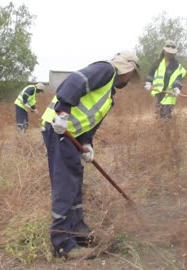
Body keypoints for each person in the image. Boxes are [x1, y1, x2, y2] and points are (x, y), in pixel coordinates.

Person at [40, 50, 139, 259]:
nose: (130, 80)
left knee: (75, 183)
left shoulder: (108, 97)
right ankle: (62, 244)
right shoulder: (105, 70)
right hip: (58, 129)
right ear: (128, 69)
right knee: (65, 184)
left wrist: (87, 144)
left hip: (71, 136)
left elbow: (91, 123)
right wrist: (63, 113)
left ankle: (79, 232)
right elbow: (74, 81)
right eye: (132, 75)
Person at [144, 40, 187, 119]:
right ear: (164, 51)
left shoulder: (176, 65)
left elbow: (178, 78)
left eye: (171, 53)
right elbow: (151, 73)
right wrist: (148, 83)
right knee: (158, 116)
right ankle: (159, 131)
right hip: (158, 93)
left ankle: (166, 130)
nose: (169, 54)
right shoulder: (157, 63)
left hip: (169, 95)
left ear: (174, 53)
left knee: (166, 118)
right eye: (168, 52)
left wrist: (177, 88)